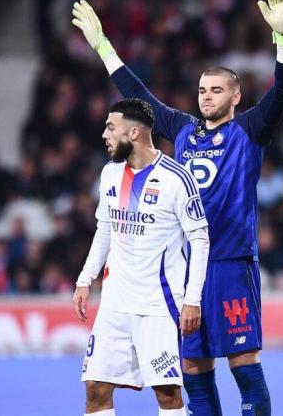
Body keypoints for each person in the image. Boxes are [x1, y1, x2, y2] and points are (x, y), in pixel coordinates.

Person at [72, 0, 283, 415]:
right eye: (201, 89)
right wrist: (103, 46)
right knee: (193, 366)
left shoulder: (250, 130)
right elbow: (140, 98)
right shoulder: (184, 130)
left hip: (231, 263)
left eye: (216, 90)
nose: (206, 96)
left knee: (244, 362)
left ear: (235, 97)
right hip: (185, 272)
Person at [72, 98, 210, 416]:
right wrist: (84, 279)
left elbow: (200, 240)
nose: (104, 134)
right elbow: (104, 230)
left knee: (166, 393)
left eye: (111, 127)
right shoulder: (109, 174)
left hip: (158, 305)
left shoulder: (177, 179)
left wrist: (193, 300)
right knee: (95, 388)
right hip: (115, 302)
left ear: (134, 132)